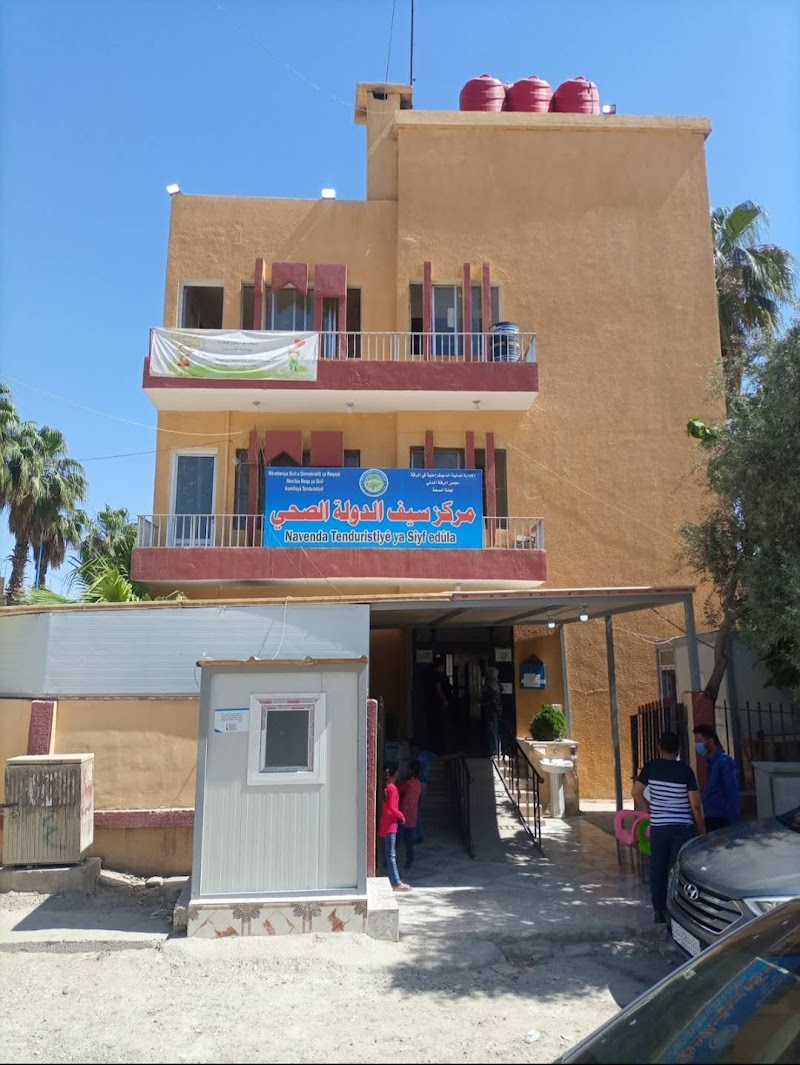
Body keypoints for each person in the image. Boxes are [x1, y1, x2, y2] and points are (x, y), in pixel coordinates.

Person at [632, 730, 705, 924]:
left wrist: (649, 810)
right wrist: (702, 829)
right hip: (682, 828)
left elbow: (636, 792)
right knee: (681, 869)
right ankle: (682, 908)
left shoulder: (651, 767)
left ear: (659, 747)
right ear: (679, 748)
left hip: (659, 827)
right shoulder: (686, 771)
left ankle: (659, 911)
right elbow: (695, 805)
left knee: (658, 868)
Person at [693, 724, 741, 831]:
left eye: (699, 740)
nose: (697, 745)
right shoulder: (711, 763)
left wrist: (733, 823)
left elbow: (732, 792)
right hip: (710, 817)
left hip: (721, 819)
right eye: (696, 741)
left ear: (710, 741)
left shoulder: (724, 762)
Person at [378, 764, 409, 892]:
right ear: (395, 774)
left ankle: (393, 878)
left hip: (385, 824)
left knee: (388, 854)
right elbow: (392, 807)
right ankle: (396, 882)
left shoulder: (386, 787)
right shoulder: (392, 788)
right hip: (391, 825)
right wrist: (401, 815)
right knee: (391, 855)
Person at [398, 760, 422, 872]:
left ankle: (394, 862)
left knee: (398, 841)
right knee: (409, 843)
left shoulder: (408, 783)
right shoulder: (418, 783)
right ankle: (409, 861)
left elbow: (398, 790)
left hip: (403, 815)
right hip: (413, 815)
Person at [483, 658, 503, 757]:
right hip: (497, 710)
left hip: (490, 710)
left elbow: (488, 699)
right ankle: (498, 749)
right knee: (495, 730)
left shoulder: (488, 686)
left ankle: (493, 750)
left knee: (491, 730)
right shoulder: (498, 685)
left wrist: (482, 704)